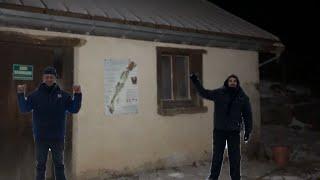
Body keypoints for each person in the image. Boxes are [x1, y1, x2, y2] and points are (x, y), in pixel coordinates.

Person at [17, 66, 82, 180]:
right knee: (40, 166)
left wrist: (77, 94)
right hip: (41, 138)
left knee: (59, 166)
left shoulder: (63, 96)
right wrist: (20, 94)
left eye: (51, 77)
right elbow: (24, 108)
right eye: (47, 77)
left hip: (57, 137)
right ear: (43, 78)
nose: (49, 79)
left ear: (55, 79)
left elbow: (74, 109)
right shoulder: (35, 96)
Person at [190, 73, 252, 180]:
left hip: (234, 131)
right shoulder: (219, 93)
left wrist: (247, 131)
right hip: (220, 131)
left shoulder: (242, 97)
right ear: (227, 83)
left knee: (235, 158)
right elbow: (204, 93)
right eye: (230, 81)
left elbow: (247, 115)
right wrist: (195, 81)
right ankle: (213, 177)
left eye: (234, 81)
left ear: (237, 83)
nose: (232, 83)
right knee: (217, 156)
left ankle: (236, 178)